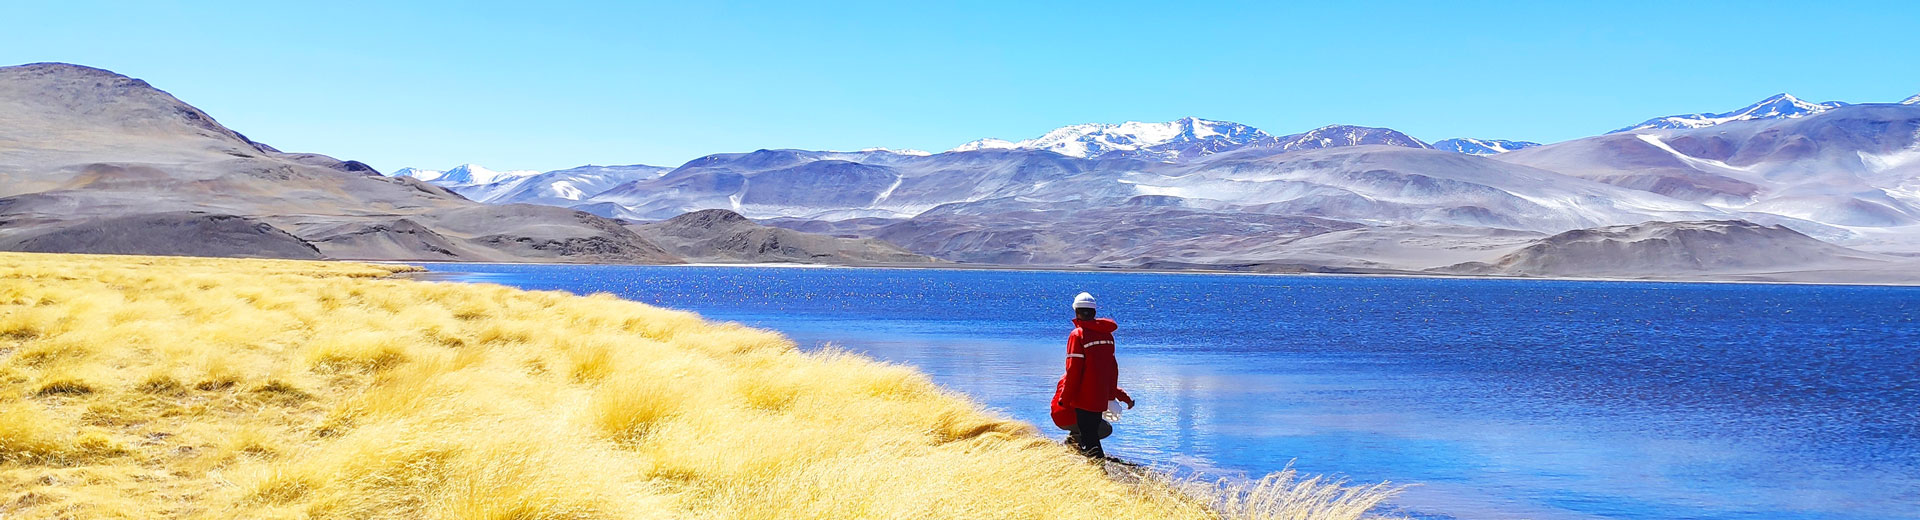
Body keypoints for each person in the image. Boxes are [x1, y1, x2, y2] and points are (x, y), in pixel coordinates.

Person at [1050, 291, 1134, 460]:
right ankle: (1093, 462)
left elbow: (1074, 370)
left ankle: (1098, 471)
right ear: (1094, 312)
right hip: (1098, 399)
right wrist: (1114, 396)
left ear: (1076, 312)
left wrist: (1065, 399)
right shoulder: (1108, 336)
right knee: (1092, 434)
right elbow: (1111, 370)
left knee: (1090, 438)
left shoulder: (1077, 335)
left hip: (1082, 399)